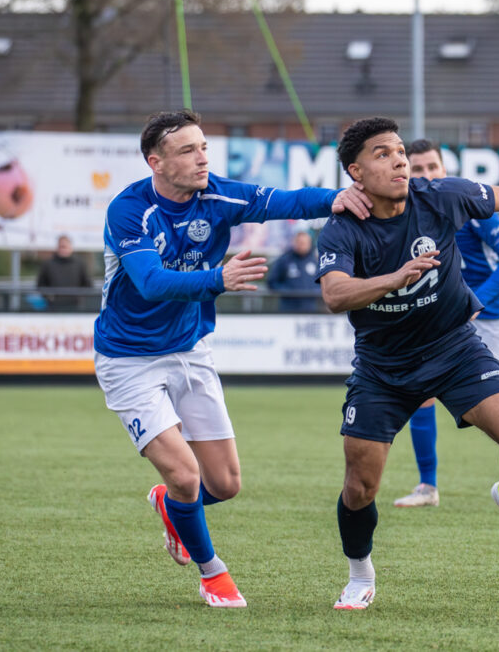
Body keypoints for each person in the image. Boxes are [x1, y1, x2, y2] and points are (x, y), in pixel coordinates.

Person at [316, 117, 499, 610]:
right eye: (383, 153)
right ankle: (360, 574)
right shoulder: (343, 228)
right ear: (356, 171)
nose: (400, 160)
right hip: (382, 368)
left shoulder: (440, 196)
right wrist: (395, 278)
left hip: (454, 349)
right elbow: (334, 293)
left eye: (400, 151)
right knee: (360, 487)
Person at [93, 109, 370, 609]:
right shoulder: (129, 211)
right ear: (155, 162)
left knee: (225, 484)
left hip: (191, 351)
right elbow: (152, 284)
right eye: (187, 150)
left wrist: (336, 198)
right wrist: (219, 279)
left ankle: (172, 509)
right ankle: (212, 574)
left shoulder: (216, 194)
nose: (202, 158)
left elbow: (283, 202)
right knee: (184, 475)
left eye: (203, 147)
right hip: (128, 358)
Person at [393, 140, 499, 509]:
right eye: (417, 168)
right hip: (444, 320)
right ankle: (427, 486)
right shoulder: (408, 211)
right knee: (422, 392)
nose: (424, 175)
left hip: (493, 314)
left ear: (444, 169)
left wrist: (477, 301)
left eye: (431, 168)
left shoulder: (470, 206)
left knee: (494, 404)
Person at [267, 225, 321, 312]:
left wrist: (316, 291)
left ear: (310, 243)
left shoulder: (316, 260)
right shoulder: (284, 260)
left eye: (304, 243)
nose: (301, 245)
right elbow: (272, 282)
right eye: (299, 242)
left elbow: (324, 283)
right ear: (294, 242)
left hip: (312, 310)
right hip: (288, 310)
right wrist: (288, 292)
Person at [37, 235, 93, 311]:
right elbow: (41, 285)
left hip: (75, 307)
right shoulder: (48, 264)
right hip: (53, 307)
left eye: (65, 246)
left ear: (71, 247)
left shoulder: (80, 264)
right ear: (57, 247)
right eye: (61, 246)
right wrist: (49, 297)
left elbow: (88, 285)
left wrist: (79, 297)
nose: (63, 249)